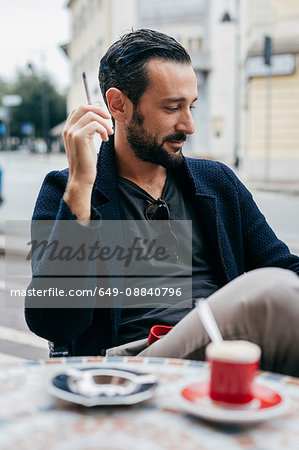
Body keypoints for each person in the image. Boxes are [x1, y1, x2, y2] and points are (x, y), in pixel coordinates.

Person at [25, 29, 299, 376]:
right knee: (270, 296)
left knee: (280, 291)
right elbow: (54, 324)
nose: (189, 125)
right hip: (130, 368)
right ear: (118, 105)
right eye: (172, 108)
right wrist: (81, 186)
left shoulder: (217, 182)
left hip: (224, 356)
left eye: (191, 106)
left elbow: (286, 269)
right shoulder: (64, 190)